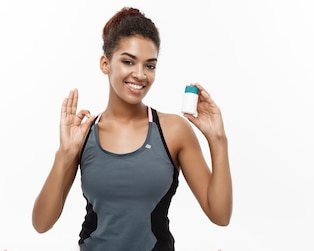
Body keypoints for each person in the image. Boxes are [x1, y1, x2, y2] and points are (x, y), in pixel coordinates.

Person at [31, 6, 232, 251]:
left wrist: (218, 139)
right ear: (105, 63)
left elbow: (220, 215)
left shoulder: (173, 131)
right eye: (128, 61)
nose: (140, 75)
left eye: (150, 65)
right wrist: (65, 154)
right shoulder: (83, 134)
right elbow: (41, 223)